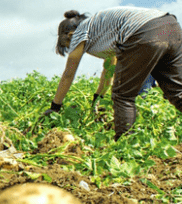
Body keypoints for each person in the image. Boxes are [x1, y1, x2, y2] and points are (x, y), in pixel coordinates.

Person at [46, 7, 182, 140]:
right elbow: (108, 69)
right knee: (177, 92)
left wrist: (55, 107)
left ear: (70, 35)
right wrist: (98, 98)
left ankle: (125, 147)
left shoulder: (80, 32)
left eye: (70, 44)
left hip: (144, 31)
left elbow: (68, 75)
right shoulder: (101, 28)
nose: (73, 48)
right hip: (170, 25)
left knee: (123, 95)